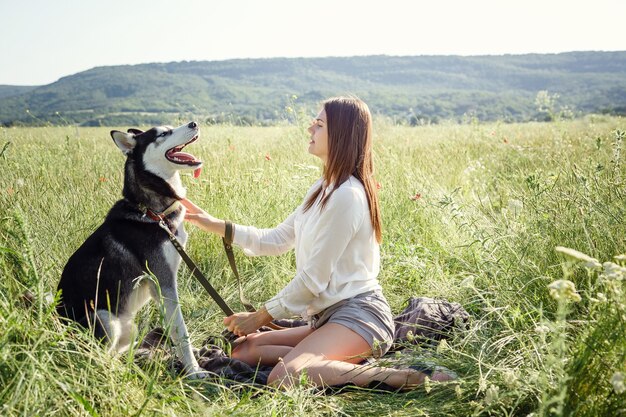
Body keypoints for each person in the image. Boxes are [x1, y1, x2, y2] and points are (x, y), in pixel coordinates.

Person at [182, 96, 453, 389]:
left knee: (284, 377)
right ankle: (328, 363)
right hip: (326, 318)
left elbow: (313, 279)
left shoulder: (347, 196)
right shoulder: (322, 189)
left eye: (319, 123)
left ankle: (407, 376)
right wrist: (210, 222)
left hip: (361, 316)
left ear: (340, 134)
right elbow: (276, 239)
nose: (310, 128)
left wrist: (260, 316)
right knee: (243, 349)